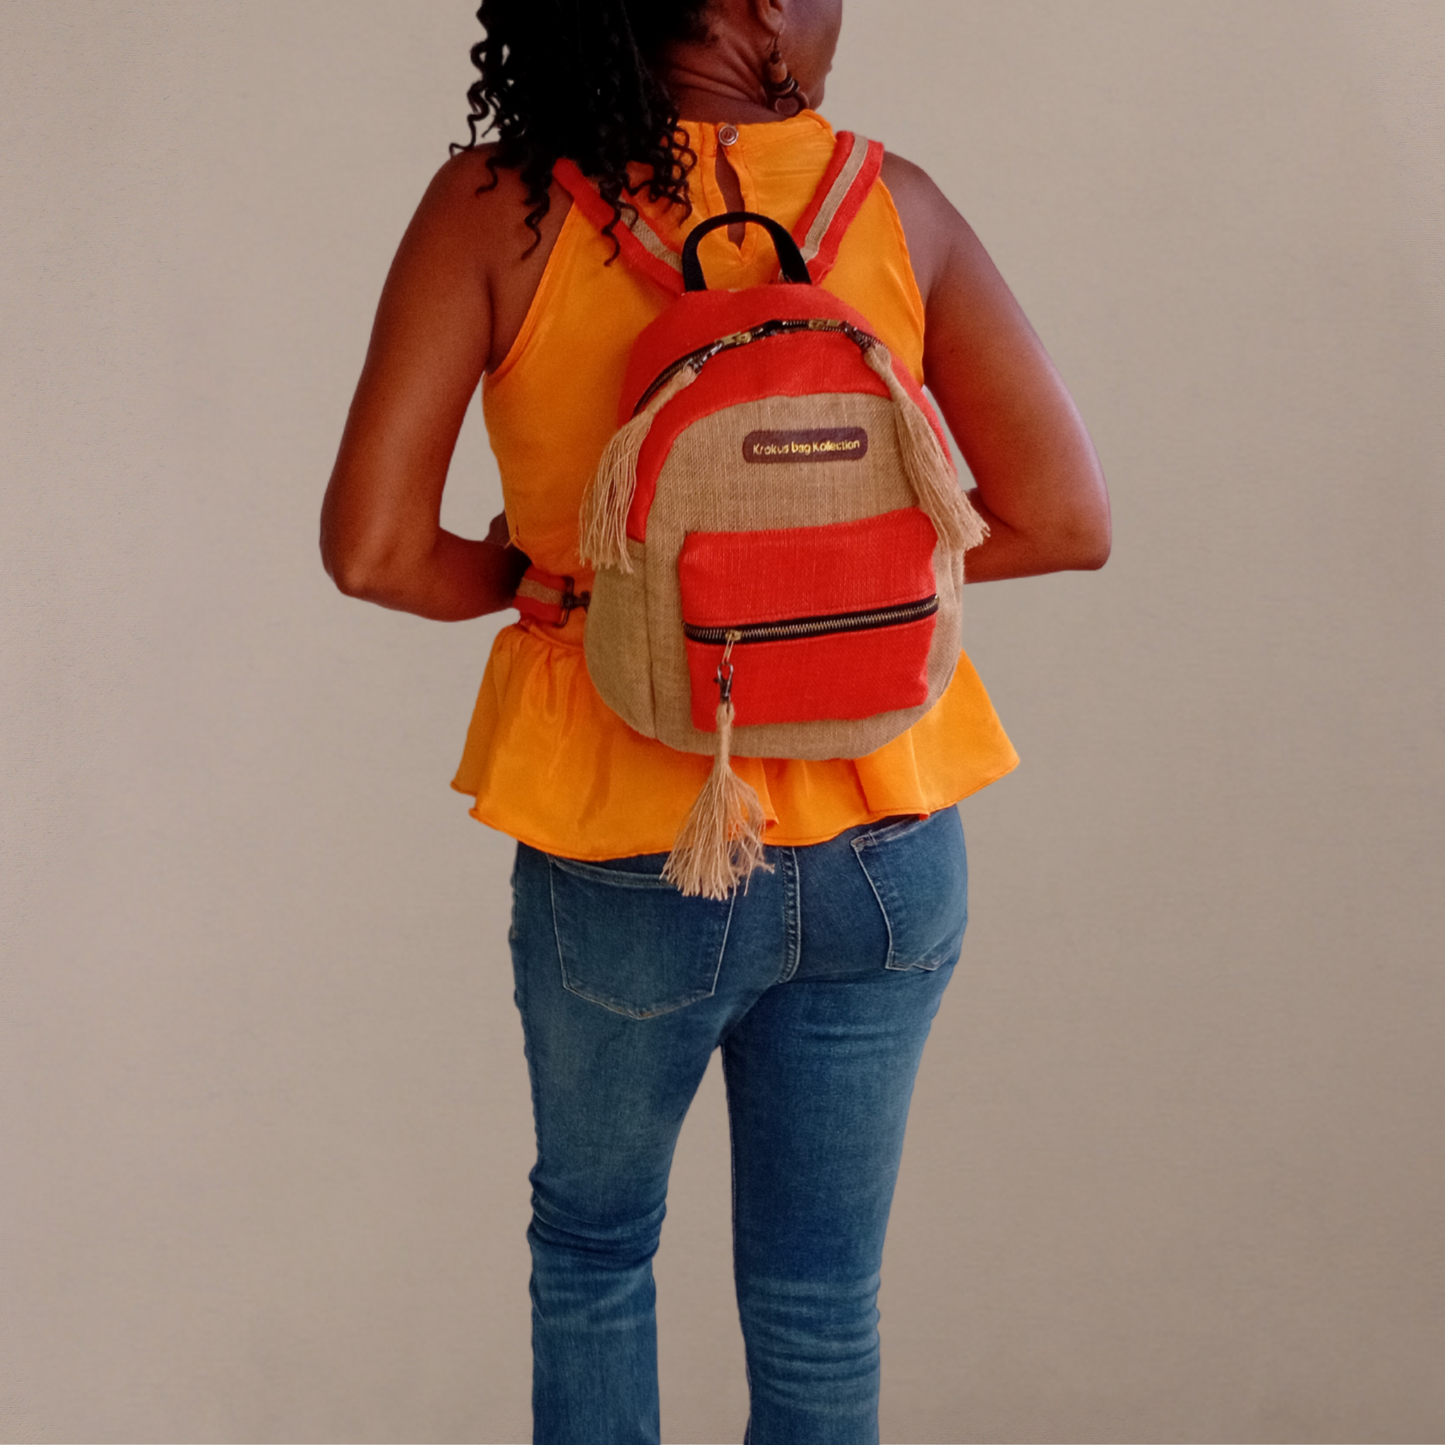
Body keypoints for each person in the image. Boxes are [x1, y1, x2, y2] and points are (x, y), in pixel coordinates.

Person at [320, 1, 1110, 1440]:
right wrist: (842, 577)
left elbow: (374, 550)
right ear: (754, 4)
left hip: (632, 833)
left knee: (598, 1257)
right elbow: (1064, 518)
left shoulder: (498, 210)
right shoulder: (895, 203)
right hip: (888, 836)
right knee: (821, 1302)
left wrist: (567, 582)